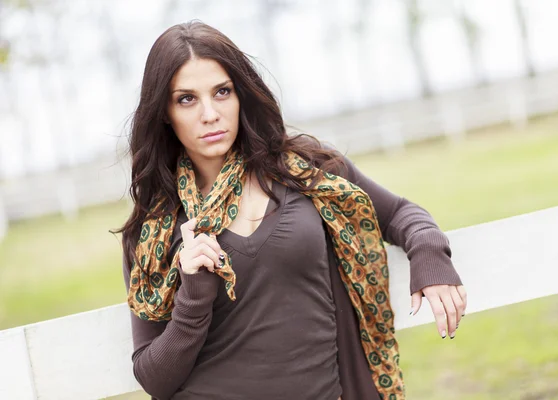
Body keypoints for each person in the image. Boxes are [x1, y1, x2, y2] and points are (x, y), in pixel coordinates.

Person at [117, 20, 466, 400]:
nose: (210, 113)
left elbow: (399, 214)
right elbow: (154, 378)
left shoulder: (307, 172)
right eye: (187, 99)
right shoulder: (154, 230)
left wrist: (430, 254)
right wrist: (193, 291)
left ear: (241, 95)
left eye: (222, 92)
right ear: (164, 111)